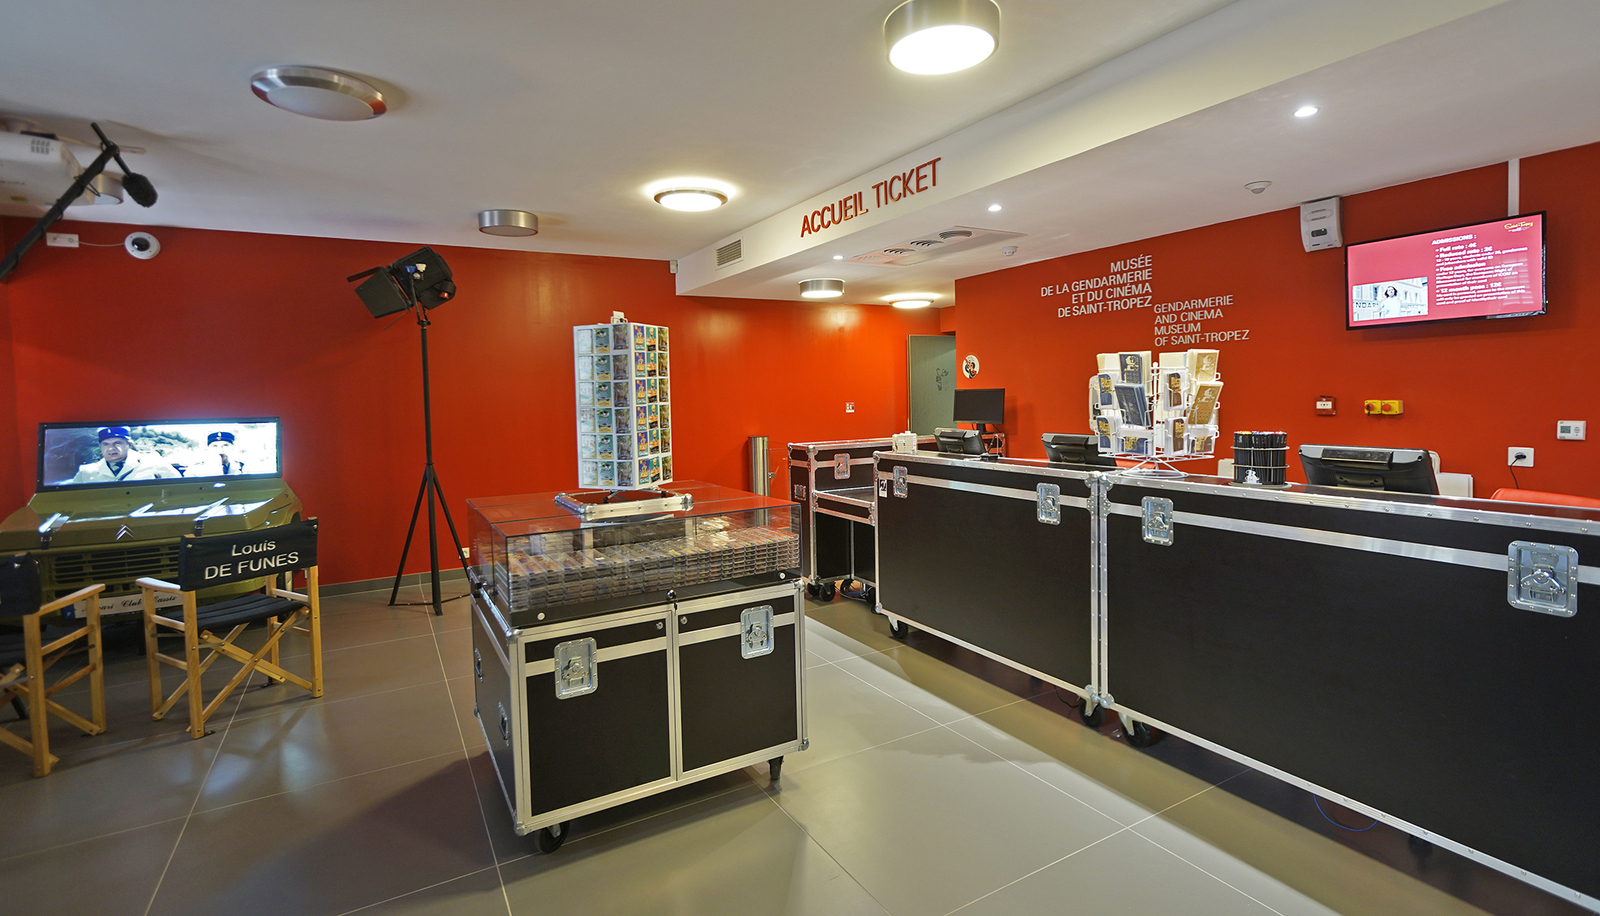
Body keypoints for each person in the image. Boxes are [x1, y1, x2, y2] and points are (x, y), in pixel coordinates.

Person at [70, 427, 180, 483]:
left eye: (117, 443)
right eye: (106, 444)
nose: (111, 448)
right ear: (101, 447)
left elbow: (178, 487)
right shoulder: (86, 471)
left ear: (129, 445)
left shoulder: (154, 462)